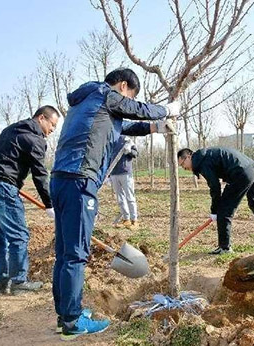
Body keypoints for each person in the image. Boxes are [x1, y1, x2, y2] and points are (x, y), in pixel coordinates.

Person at [50, 67, 178, 340]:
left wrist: (155, 127)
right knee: (75, 255)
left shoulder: (90, 103)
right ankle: (72, 323)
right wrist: (166, 109)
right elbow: (136, 109)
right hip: (80, 181)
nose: (127, 101)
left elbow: (126, 125)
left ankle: (65, 315)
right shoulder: (104, 93)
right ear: (123, 86)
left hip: (62, 179)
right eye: (129, 95)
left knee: (64, 253)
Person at [0, 106, 60, 296]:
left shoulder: (11, 129)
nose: (52, 131)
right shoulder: (35, 139)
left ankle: (0, 283)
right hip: (3, 187)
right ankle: (19, 282)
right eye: (52, 126)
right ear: (41, 118)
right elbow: (40, 175)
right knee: (19, 236)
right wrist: (50, 204)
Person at [177, 147, 254, 254]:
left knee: (224, 211)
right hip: (252, 168)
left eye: (182, 164)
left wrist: (215, 210)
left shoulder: (202, 162)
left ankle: (224, 248)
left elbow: (215, 187)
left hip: (240, 173)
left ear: (188, 157)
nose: (184, 168)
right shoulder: (205, 155)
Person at [110, 135, 139, 229]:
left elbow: (136, 154)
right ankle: (126, 219)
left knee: (130, 197)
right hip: (114, 173)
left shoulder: (127, 140)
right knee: (120, 198)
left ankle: (134, 220)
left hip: (125, 172)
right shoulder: (110, 140)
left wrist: (130, 151)